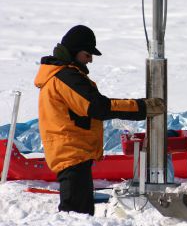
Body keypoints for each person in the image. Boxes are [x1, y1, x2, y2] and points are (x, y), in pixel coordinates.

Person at [34, 25, 165, 215]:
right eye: (87, 54)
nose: (90, 60)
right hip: (71, 153)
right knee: (75, 217)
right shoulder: (65, 76)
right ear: (75, 51)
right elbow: (97, 106)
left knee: (80, 214)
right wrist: (141, 107)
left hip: (72, 153)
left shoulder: (60, 75)